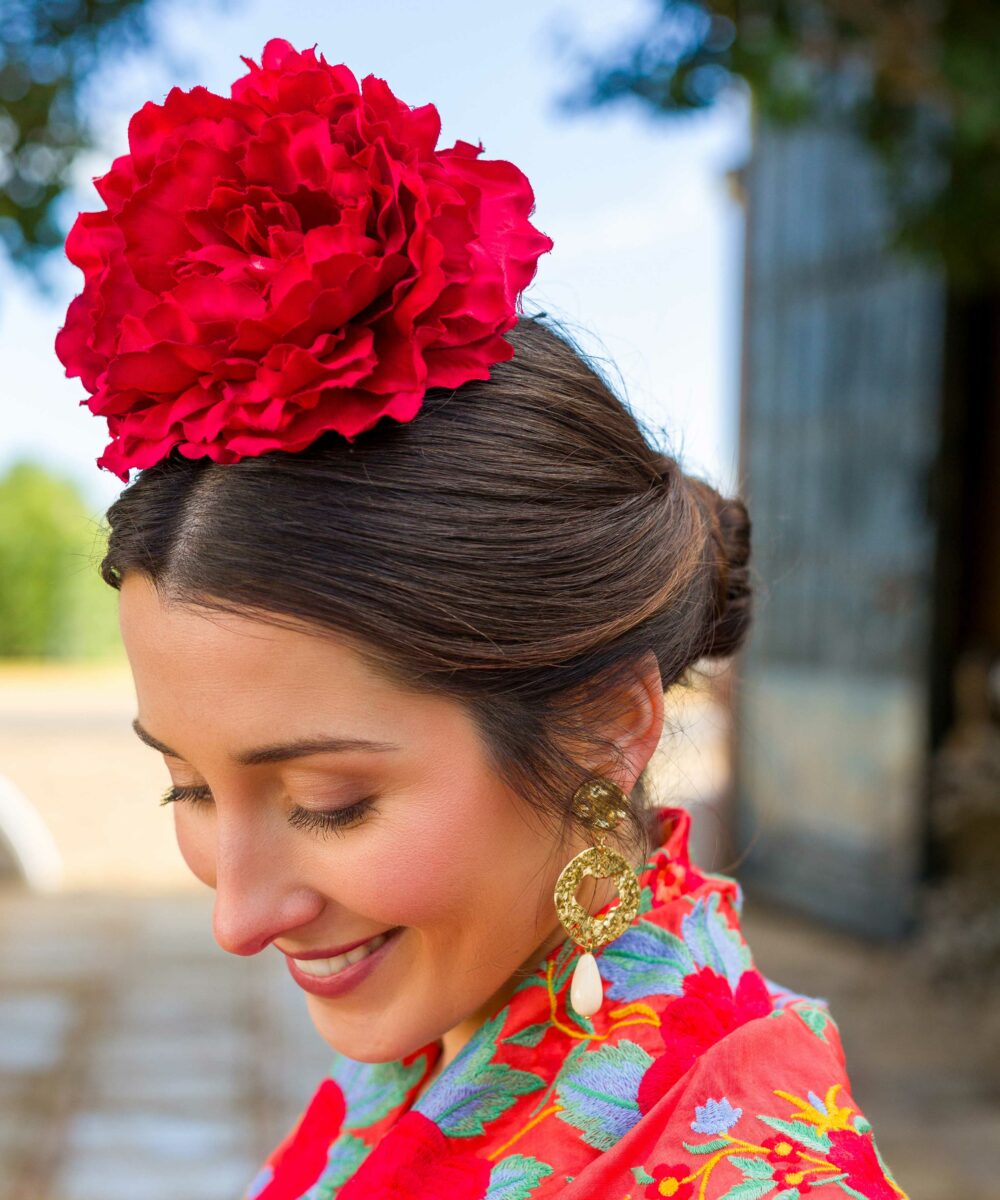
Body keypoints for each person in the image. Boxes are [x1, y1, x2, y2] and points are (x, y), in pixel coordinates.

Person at [55, 37, 910, 1200]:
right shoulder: (448, 1034)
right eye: (191, 790)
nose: (238, 918)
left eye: (329, 803)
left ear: (611, 723)